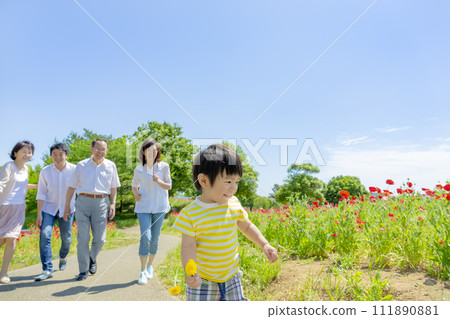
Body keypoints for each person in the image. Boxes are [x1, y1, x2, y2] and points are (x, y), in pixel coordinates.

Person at [172, 144, 278, 301]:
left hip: (232, 277)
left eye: (236, 182)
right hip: (203, 280)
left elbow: (247, 226)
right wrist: (190, 273)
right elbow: (188, 246)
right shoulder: (190, 214)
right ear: (203, 180)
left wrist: (264, 244)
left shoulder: (233, 204)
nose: (234, 188)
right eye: (228, 181)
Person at [63, 139, 120, 281]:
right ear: (91, 149)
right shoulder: (81, 165)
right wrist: (66, 206)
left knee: (100, 239)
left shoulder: (111, 166)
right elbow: (71, 187)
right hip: (82, 201)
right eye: (98, 148)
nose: (100, 152)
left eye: (103, 149)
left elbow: (113, 187)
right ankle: (83, 270)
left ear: (106, 151)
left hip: (102, 202)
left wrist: (112, 204)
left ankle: (91, 258)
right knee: (83, 238)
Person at [131, 139, 172, 285]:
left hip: (160, 207)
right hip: (143, 207)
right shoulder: (138, 170)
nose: (151, 153)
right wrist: (136, 195)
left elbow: (169, 186)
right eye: (148, 151)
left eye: (154, 150)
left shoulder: (164, 166)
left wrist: (158, 180)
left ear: (157, 152)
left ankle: (150, 266)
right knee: (145, 237)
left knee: (155, 239)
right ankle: (142, 271)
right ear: (143, 152)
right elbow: (134, 186)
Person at [34, 143, 76, 281]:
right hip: (48, 209)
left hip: (67, 209)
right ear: (51, 155)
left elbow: (80, 190)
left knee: (66, 238)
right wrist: (39, 213)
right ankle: (47, 269)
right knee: (45, 235)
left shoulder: (74, 170)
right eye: (54, 154)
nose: (57, 157)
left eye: (61, 154)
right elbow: (41, 193)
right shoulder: (45, 171)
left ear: (66, 155)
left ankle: (63, 257)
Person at [0, 141, 35, 284]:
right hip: (4, 207)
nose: (27, 155)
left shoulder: (26, 169)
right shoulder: (9, 166)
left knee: (12, 239)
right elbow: (1, 184)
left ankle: (4, 273)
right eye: (24, 152)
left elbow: (22, 185)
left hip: (19, 208)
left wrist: (41, 186)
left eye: (29, 152)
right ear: (15, 153)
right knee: (1, 239)